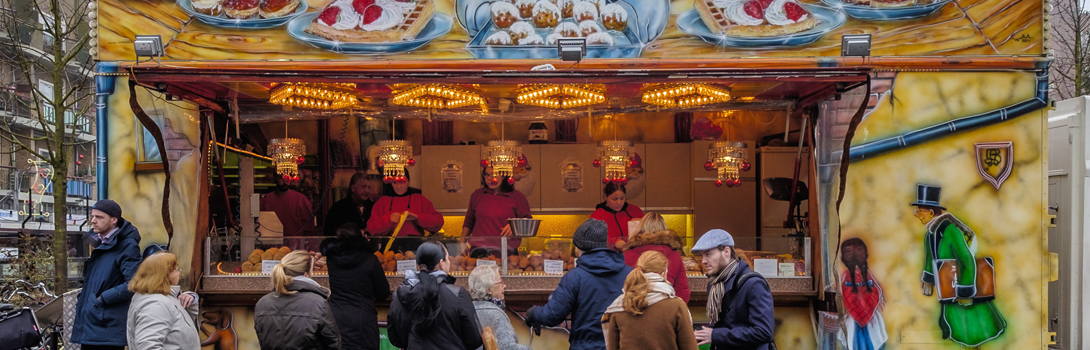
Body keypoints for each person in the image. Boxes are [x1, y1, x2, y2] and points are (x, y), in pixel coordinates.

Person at [913, 184, 1005, 348]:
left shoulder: (951, 231)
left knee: (971, 331)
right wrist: (928, 279)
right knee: (958, 329)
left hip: (963, 294)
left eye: (920, 210)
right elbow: (930, 258)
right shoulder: (930, 235)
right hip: (948, 292)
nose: (917, 214)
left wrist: (965, 292)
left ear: (931, 212)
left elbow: (967, 260)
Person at [525, 219, 633, 350]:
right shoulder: (630, 274)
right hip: (620, 345)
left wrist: (532, 313)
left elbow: (552, 315)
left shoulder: (574, 277)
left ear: (581, 247)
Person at [71, 199, 143, 350]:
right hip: (93, 324)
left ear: (114, 220)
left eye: (99, 217)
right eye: (92, 216)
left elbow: (134, 283)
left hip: (107, 326)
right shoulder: (101, 243)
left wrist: (102, 299)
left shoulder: (127, 246)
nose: (93, 221)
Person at [388, 241, 483, 350]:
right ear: (441, 263)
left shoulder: (401, 293)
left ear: (418, 265)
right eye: (447, 259)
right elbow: (474, 340)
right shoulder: (456, 293)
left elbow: (395, 338)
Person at [691, 229, 774, 350]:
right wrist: (702, 334)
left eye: (708, 254)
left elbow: (763, 332)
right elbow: (726, 324)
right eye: (702, 255)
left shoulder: (753, 284)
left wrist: (715, 335)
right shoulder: (715, 285)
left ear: (726, 251)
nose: (703, 261)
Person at [602, 251, 698, 350]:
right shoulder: (676, 305)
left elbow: (613, 347)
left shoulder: (618, 306)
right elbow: (689, 347)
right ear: (663, 273)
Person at [319, 223, 391, 350]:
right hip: (364, 322)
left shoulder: (331, 259)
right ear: (360, 239)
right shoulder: (371, 260)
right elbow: (383, 293)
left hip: (336, 319)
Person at [254, 250, 341, 350]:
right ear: (306, 274)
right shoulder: (318, 304)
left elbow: (263, 342)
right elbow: (333, 343)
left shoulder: (262, 303)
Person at [126, 252, 201, 350]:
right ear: (164, 276)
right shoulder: (155, 304)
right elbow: (148, 346)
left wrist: (189, 302)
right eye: (176, 270)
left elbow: (181, 330)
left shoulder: (161, 299)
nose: (179, 274)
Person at [367, 169, 444, 252]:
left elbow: (438, 222)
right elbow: (371, 229)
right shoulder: (382, 202)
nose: (398, 186)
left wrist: (418, 218)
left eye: (402, 182)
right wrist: (387, 220)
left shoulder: (419, 200)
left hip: (415, 247)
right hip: (390, 247)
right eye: (395, 183)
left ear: (409, 181)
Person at [622, 212, 691, 303]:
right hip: (665, 306)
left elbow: (621, 287)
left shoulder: (627, 255)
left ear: (640, 228)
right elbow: (682, 291)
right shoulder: (675, 255)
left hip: (635, 307)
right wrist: (675, 309)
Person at [463, 167, 533, 255]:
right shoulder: (477, 194)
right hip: (479, 250)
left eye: (494, 174)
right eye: (486, 175)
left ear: (504, 176)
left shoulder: (517, 196)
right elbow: (469, 221)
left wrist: (516, 226)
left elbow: (529, 223)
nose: (489, 178)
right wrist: (462, 243)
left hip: (507, 251)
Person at [468, 265, 531, 350]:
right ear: (489, 289)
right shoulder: (496, 315)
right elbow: (507, 347)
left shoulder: (467, 310)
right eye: (500, 281)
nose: (504, 285)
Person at [262, 175, 315, 249]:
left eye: (288, 177)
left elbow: (309, 231)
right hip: (272, 249)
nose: (285, 181)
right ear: (275, 178)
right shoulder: (266, 200)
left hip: (296, 249)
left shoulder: (301, 200)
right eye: (281, 177)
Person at [590, 182, 644, 250]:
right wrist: (613, 242)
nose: (619, 202)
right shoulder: (597, 215)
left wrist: (644, 223)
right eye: (614, 199)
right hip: (609, 254)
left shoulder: (635, 210)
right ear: (605, 197)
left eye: (622, 198)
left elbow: (651, 232)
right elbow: (592, 239)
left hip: (634, 252)